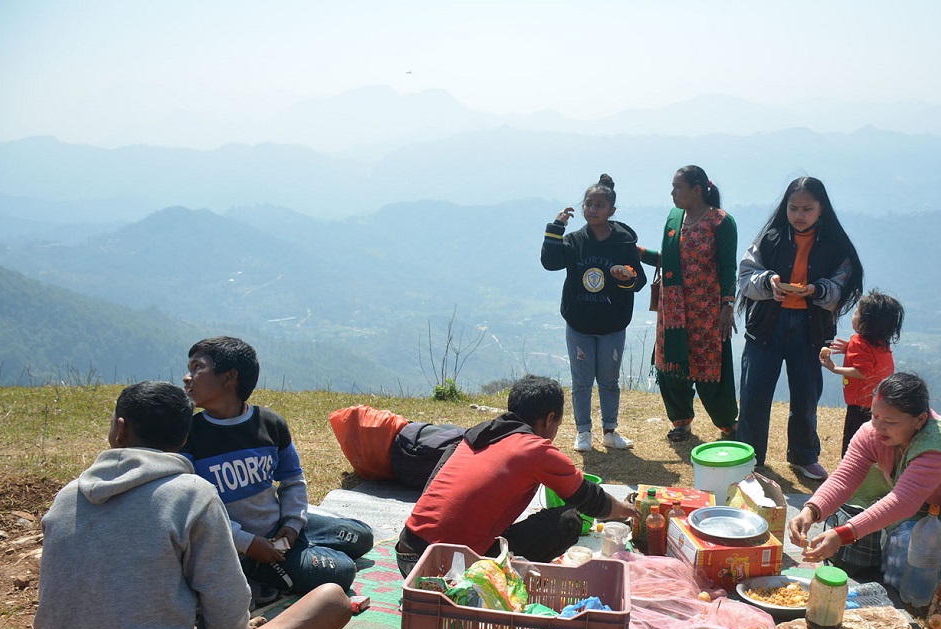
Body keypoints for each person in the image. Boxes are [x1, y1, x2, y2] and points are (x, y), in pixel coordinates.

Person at [35, 381, 352, 629]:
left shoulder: (67, 496)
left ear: (119, 430)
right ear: (185, 435)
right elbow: (227, 615)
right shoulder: (191, 495)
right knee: (332, 601)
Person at [180, 336, 374, 598]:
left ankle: (298, 547)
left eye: (197, 368)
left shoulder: (269, 424)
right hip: (237, 547)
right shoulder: (189, 436)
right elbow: (197, 511)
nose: (187, 377)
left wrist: (292, 525)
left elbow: (293, 480)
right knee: (342, 571)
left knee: (362, 536)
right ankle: (257, 569)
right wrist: (248, 544)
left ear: (228, 378)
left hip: (277, 525)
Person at [395, 374, 640, 577]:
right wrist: (624, 508)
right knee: (568, 520)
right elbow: (589, 498)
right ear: (550, 419)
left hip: (407, 551)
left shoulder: (478, 434)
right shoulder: (534, 449)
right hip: (441, 569)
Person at [787, 372, 941, 573]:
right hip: (928, 501)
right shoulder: (871, 434)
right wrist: (810, 511)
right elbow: (844, 478)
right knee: (866, 479)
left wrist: (843, 534)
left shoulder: (938, 445)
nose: (878, 426)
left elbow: (902, 501)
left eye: (889, 421)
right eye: (875, 416)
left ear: (920, 420)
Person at [734, 176, 864, 480]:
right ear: (786, 208)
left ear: (822, 209)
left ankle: (804, 455)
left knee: (806, 395)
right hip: (767, 326)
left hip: (810, 331)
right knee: (754, 395)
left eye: (807, 208)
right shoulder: (770, 239)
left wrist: (817, 291)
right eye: (794, 208)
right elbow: (745, 277)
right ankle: (750, 457)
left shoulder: (834, 246)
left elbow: (843, 284)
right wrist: (769, 283)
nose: (799, 215)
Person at [542, 173, 647, 452]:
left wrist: (624, 275)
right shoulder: (575, 241)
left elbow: (639, 282)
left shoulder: (624, 242)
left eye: (599, 205)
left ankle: (610, 431)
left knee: (609, 380)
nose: (592, 209)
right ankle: (583, 432)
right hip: (579, 323)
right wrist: (556, 228)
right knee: (581, 381)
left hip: (612, 323)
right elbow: (549, 262)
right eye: (588, 204)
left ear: (611, 210)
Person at [640, 165, 739, 442]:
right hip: (672, 309)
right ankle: (681, 422)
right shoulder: (674, 219)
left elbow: (727, 267)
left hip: (706, 311)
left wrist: (727, 306)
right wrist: (639, 253)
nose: (672, 193)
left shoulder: (721, 222)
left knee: (711, 367)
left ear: (697, 190)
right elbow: (669, 259)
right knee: (671, 366)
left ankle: (728, 425)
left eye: (678, 187)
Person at [820, 289, 904, 455]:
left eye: (856, 312)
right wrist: (848, 349)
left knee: (853, 443)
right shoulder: (881, 342)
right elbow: (871, 361)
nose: (853, 315)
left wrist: (835, 368)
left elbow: (863, 371)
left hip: (859, 404)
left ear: (867, 322)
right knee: (874, 441)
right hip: (879, 401)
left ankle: (849, 470)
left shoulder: (859, 341)